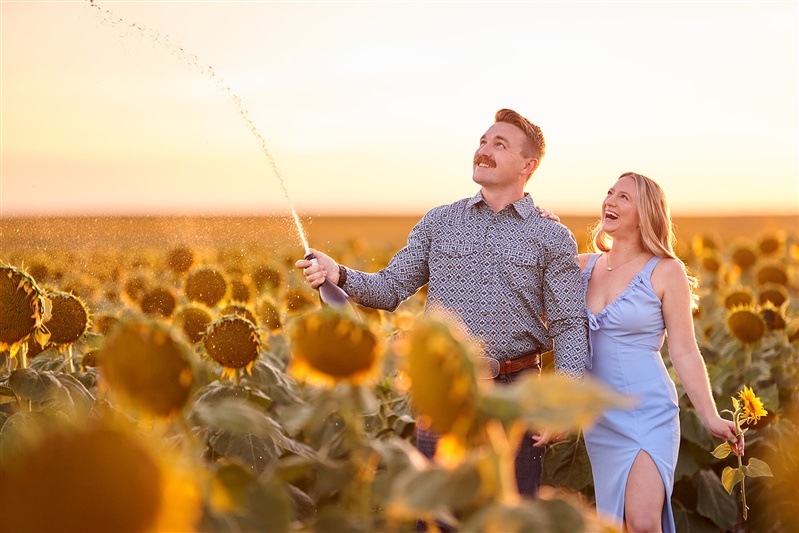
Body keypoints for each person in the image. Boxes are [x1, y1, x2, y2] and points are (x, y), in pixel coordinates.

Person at [296, 109, 588, 502]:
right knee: (438, 516)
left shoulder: (551, 236)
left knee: (510, 517)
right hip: (444, 392)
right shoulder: (440, 222)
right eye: (482, 141)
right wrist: (339, 274)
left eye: (499, 145)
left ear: (528, 165)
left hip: (516, 395)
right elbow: (390, 287)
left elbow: (568, 323)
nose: (483, 151)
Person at [538, 172, 741, 533]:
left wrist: (710, 417)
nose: (610, 202)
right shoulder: (580, 265)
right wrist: (545, 231)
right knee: (616, 525)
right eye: (609, 193)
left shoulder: (666, 271)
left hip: (648, 411)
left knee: (644, 523)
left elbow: (684, 351)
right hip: (601, 417)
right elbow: (551, 326)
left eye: (623, 198)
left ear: (646, 213)